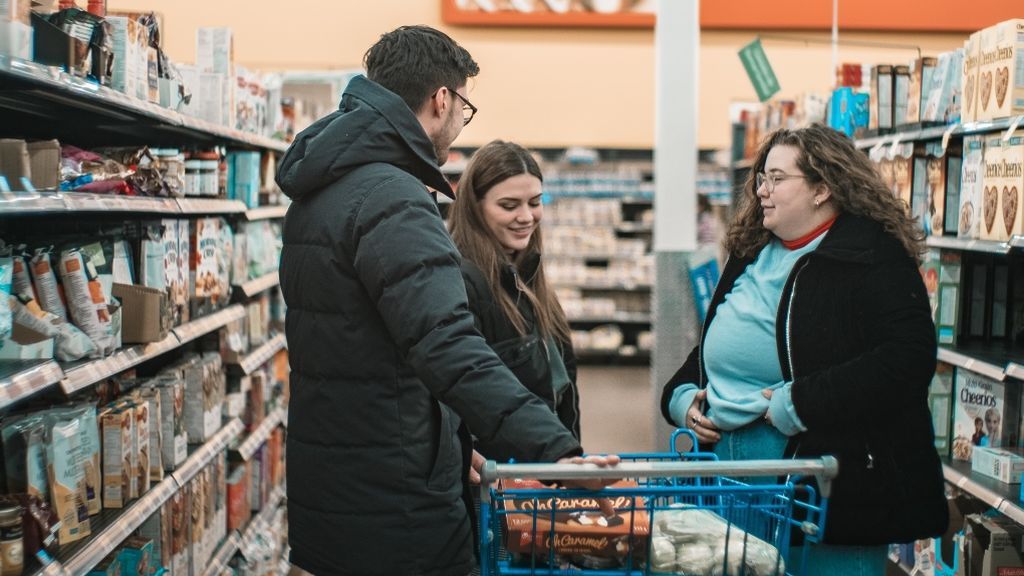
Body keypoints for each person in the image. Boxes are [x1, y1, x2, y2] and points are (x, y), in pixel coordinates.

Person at [276, 26, 617, 576]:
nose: (461, 122)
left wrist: (454, 447)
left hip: (337, 481)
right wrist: (558, 454)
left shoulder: (323, 187)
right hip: (398, 504)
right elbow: (447, 346)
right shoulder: (393, 197)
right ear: (442, 100)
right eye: (464, 106)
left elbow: (370, 350)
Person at [660, 124, 948, 575]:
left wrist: (800, 402)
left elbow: (905, 359)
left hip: (825, 485)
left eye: (777, 178)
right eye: (761, 178)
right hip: (732, 480)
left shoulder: (871, 256)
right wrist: (681, 396)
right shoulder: (753, 251)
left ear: (822, 188)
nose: (762, 191)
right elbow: (719, 342)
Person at [448, 139, 581, 465]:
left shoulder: (530, 276)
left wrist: (569, 459)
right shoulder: (462, 282)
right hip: (501, 478)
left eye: (535, 202)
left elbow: (561, 389)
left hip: (544, 470)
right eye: (509, 206)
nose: (526, 217)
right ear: (475, 207)